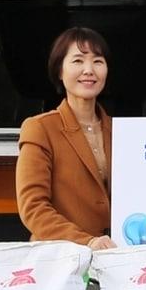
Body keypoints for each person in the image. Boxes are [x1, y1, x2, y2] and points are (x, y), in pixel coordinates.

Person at [15, 27, 116, 249]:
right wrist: (86, 242)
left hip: (116, 260)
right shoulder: (39, 128)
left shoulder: (121, 131)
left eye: (98, 61)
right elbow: (33, 207)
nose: (89, 70)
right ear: (60, 70)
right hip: (59, 261)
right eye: (78, 61)